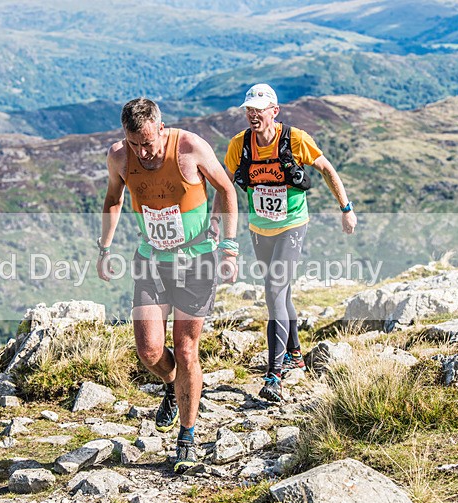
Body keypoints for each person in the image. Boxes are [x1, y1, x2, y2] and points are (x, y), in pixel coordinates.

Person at [97, 97, 238, 474]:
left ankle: (187, 438)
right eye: (133, 143)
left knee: (186, 349)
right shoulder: (120, 157)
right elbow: (114, 196)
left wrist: (228, 248)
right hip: (152, 260)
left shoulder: (190, 148)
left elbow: (226, 190)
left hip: (197, 261)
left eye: (147, 143)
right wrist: (105, 247)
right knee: (148, 350)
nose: (141, 152)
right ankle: (172, 385)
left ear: (162, 128)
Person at [224, 83, 357, 402]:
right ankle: (295, 353)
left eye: (259, 108)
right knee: (280, 293)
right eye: (249, 109)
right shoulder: (239, 145)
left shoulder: (295, 139)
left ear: (274, 110)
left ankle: (274, 375)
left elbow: (327, 169)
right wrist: (220, 235)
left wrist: (346, 208)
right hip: (259, 228)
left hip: (293, 225)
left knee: (273, 291)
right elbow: (225, 189)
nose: (253, 114)